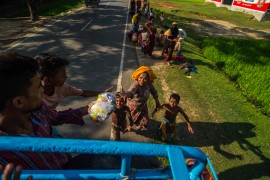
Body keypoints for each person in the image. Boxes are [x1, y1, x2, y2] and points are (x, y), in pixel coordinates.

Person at [0, 52, 90, 169]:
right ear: (19, 102)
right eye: (38, 87)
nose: (42, 90)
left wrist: (90, 108)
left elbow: (57, 117)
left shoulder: (38, 110)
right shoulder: (4, 155)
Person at [35, 53, 112, 110]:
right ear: (48, 80)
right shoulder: (33, 98)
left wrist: (103, 93)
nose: (66, 77)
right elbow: (58, 118)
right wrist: (93, 107)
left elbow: (83, 93)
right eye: (63, 75)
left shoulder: (62, 88)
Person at [124, 66, 161, 131]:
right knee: (133, 120)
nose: (142, 80)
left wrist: (157, 102)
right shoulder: (135, 84)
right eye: (140, 78)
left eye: (145, 78)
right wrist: (126, 94)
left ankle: (140, 126)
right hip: (134, 107)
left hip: (143, 106)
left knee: (145, 121)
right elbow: (131, 91)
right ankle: (130, 125)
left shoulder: (149, 84)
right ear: (138, 77)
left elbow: (154, 92)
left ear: (148, 80)